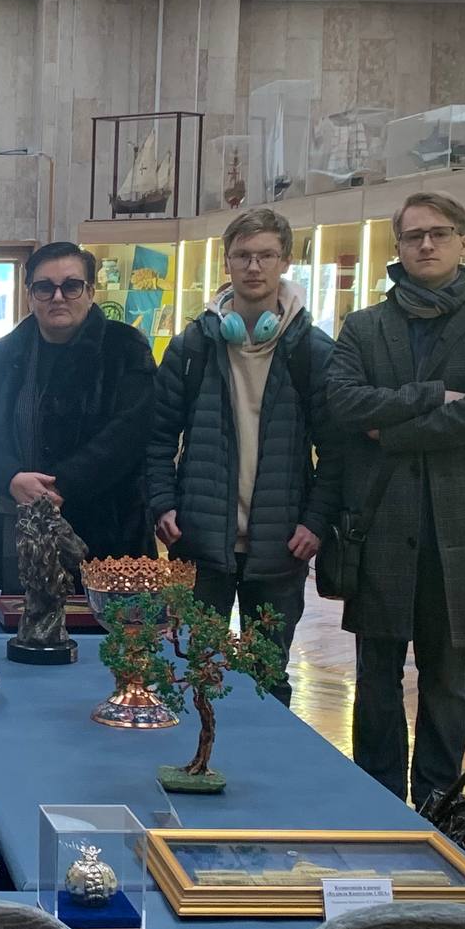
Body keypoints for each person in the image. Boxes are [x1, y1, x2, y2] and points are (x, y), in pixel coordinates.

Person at [324, 190, 465, 807]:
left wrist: (391, 431)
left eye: (439, 233)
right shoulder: (363, 327)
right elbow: (345, 403)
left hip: (457, 530)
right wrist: (434, 395)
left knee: (446, 680)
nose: (426, 245)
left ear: (464, 242)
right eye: (414, 236)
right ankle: (376, 800)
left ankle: (438, 805)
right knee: (375, 677)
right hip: (380, 521)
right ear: (399, 247)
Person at [141, 208, 345, 702]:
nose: (254, 267)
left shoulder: (314, 352)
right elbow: (158, 436)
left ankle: (267, 754)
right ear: (227, 262)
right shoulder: (193, 347)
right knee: (195, 672)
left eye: (266, 256)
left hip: (281, 542)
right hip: (201, 538)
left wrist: (315, 522)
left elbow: (338, 450)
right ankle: (199, 750)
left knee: (269, 677)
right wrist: (162, 503)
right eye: (243, 256)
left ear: (285, 262)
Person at [0, 243, 155, 591]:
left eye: (71, 286)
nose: (57, 297)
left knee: (101, 624)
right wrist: (9, 477)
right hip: (10, 521)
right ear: (29, 295)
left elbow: (129, 432)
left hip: (104, 527)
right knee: (7, 619)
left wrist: (62, 484)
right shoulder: (1, 354)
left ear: (91, 292)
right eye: (44, 287)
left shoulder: (125, 348)